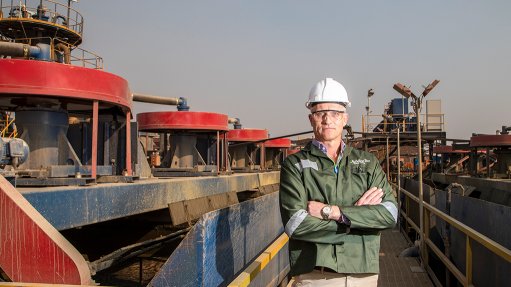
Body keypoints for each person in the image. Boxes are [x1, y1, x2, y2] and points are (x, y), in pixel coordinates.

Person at [279, 77, 398, 287]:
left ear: (345, 119)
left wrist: (334, 212)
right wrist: (358, 221)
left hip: (364, 276)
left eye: (335, 113)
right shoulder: (295, 165)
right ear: (311, 119)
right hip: (316, 276)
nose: (327, 119)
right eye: (320, 113)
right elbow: (296, 224)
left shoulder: (368, 162)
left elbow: (389, 214)